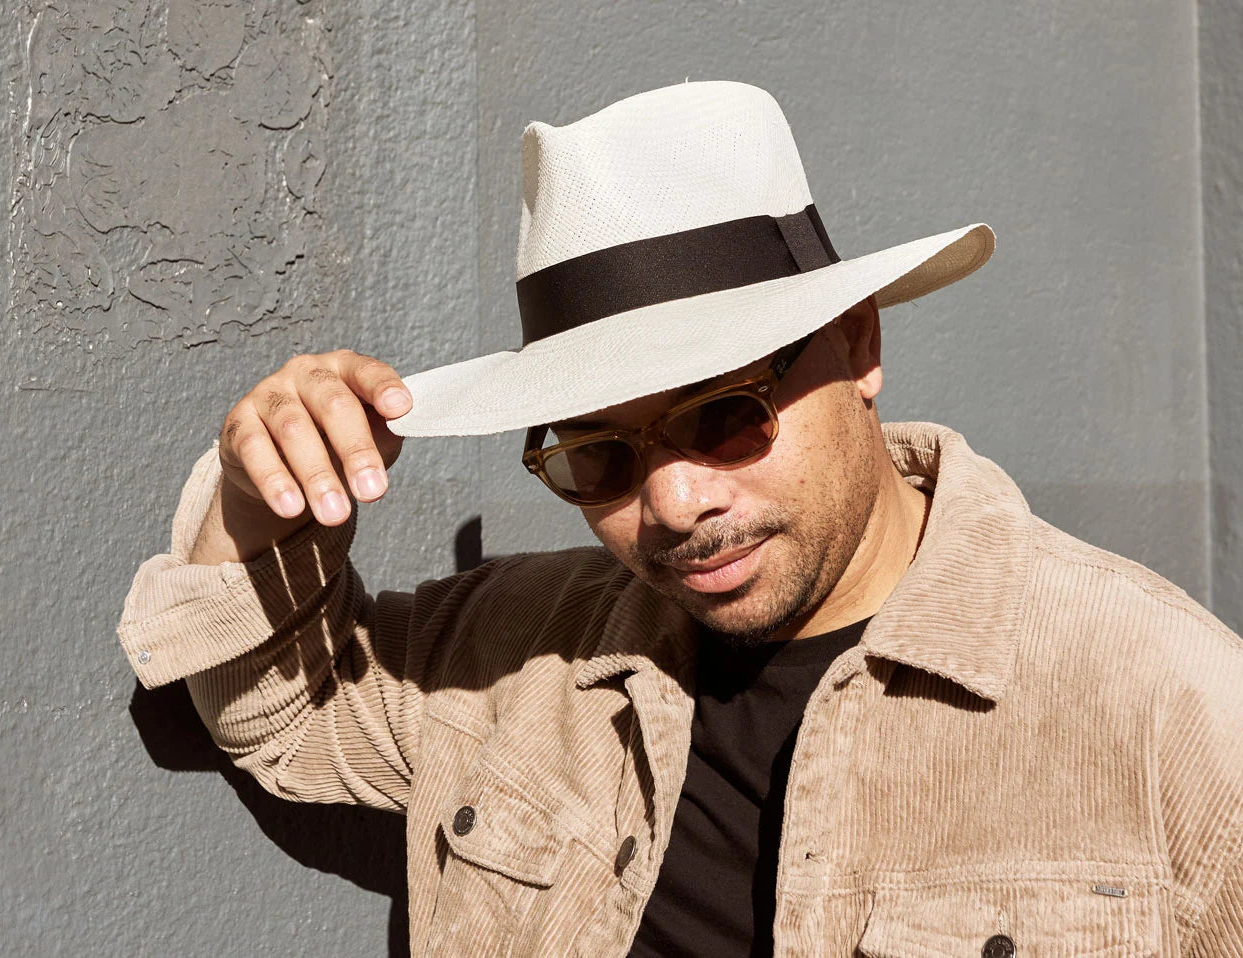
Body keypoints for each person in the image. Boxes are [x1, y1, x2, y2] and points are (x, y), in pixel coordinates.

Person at [117, 81, 1243, 956]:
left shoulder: (1168, 712)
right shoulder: (521, 655)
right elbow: (278, 708)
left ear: (861, 347)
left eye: (727, 414)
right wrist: (258, 497)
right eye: (599, 452)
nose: (674, 502)